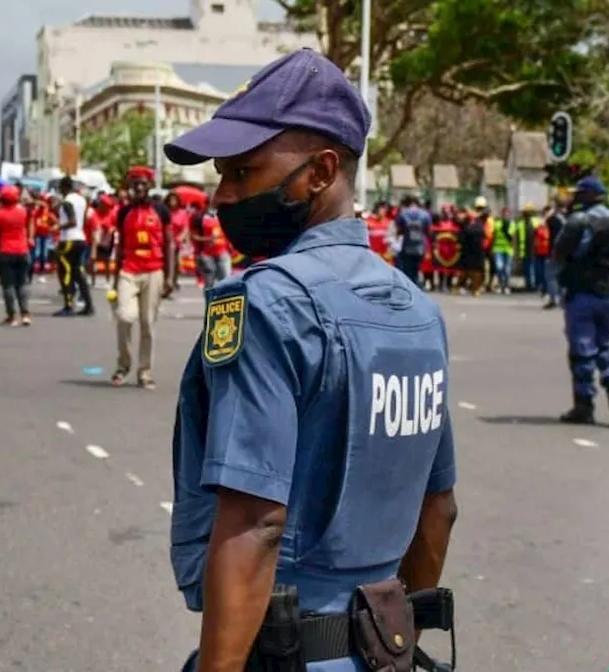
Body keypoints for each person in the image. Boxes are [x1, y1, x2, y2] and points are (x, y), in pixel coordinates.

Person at [163, 48, 457, 672]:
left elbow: (256, 524)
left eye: (243, 173)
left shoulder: (264, 304)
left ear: (321, 171)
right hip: (385, 655)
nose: (222, 197)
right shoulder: (417, 309)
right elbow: (438, 511)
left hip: (280, 653)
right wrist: (395, 640)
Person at [551, 176, 609, 425]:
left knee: (582, 349)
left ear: (587, 196)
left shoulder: (579, 221)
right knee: (604, 346)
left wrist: (555, 287)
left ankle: (584, 404)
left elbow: (559, 254)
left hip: (582, 293)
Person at [110, 166, 173, 389]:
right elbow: (119, 246)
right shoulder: (123, 212)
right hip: (128, 270)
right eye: (135, 183)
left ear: (149, 186)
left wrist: (170, 277)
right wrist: (114, 276)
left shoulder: (161, 211)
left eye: (143, 183)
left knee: (147, 324)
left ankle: (145, 371)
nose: (138, 187)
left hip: (154, 270)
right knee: (125, 317)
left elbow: (169, 244)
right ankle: (123, 365)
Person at [0, 184, 33, 326]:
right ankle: (25, 314)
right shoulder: (23, 211)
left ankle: (11, 316)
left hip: (5, 251)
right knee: (22, 283)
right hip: (23, 250)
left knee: (8, 285)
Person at [54, 176, 94, 316]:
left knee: (65, 272)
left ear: (64, 187)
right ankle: (89, 305)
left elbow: (72, 221)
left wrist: (57, 227)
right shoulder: (81, 200)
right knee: (78, 273)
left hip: (68, 239)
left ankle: (68, 305)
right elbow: (81, 221)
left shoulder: (67, 201)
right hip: (80, 238)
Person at [190, 199, 231, 290]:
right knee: (209, 283)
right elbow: (193, 236)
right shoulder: (199, 217)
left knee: (226, 281)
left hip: (223, 252)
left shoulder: (226, 214)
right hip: (206, 254)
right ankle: (209, 303)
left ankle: (223, 302)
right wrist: (207, 239)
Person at [394, 194, 431, 283]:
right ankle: (417, 286)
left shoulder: (403, 213)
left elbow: (398, 229)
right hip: (420, 247)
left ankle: (411, 289)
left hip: (406, 246)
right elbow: (429, 231)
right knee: (416, 270)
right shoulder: (425, 214)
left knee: (407, 271)